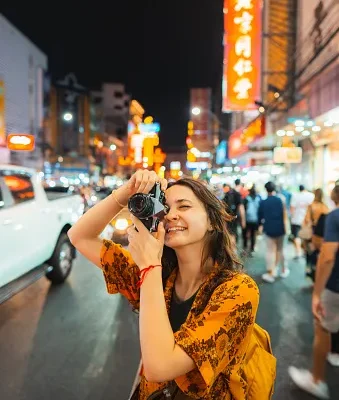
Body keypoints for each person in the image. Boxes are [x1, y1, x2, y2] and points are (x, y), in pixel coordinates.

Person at [68, 170, 261, 399]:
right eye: (166, 208)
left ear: (212, 221)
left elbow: (159, 367)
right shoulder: (161, 277)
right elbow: (79, 236)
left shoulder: (238, 290)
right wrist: (125, 192)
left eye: (184, 206)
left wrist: (149, 265)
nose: (170, 216)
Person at [289, 185, 339, 399]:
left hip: (335, 284)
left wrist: (317, 293)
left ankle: (317, 380)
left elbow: (327, 257)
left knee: (322, 328)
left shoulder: (334, 217)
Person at [258, 181, 289, 283]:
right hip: (281, 228)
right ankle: (284, 270)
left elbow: (260, 217)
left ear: (266, 189)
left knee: (270, 251)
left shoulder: (263, 202)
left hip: (269, 228)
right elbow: (285, 214)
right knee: (281, 249)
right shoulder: (280, 200)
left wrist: (260, 226)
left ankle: (271, 273)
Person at [290, 185, 315, 259]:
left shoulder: (295, 196)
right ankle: (306, 252)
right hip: (307, 221)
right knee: (307, 237)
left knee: (296, 237)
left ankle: (298, 252)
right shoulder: (311, 196)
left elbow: (292, 208)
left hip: (296, 219)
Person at [243, 186, 261, 254]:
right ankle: (252, 249)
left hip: (247, 220)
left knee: (245, 234)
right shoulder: (258, 199)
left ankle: (245, 248)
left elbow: (244, 210)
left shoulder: (246, 199)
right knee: (253, 235)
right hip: (255, 220)